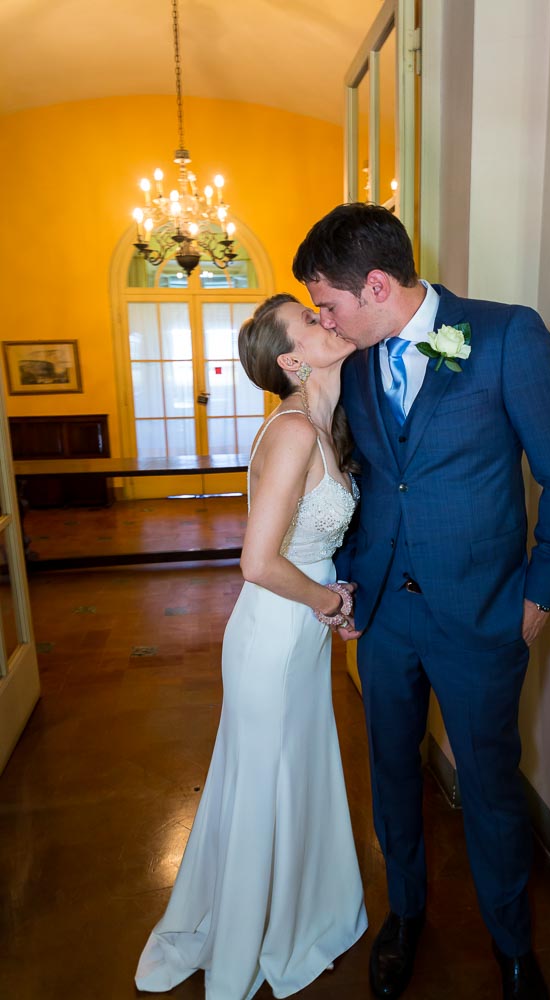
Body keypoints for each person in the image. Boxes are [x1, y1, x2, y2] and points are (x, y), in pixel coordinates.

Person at [293, 203, 550, 1000]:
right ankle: (405, 915)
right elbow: (366, 482)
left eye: (329, 304)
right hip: (386, 619)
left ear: (379, 284)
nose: (325, 320)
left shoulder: (505, 337)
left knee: (491, 785)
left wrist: (541, 592)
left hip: (484, 615)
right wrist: (350, 581)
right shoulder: (355, 364)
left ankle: (513, 948)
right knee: (390, 772)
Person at [135, 293, 367, 999]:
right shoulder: (294, 431)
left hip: (297, 631)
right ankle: (241, 938)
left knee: (290, 770)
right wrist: (329, 602)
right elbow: (258, 562)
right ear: (292, 360)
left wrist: (335, 592)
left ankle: (297, 911)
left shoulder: (324, 427)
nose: (327, 319)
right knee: (264, 779)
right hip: (271, 633)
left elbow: (310, 543)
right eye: (310, 319)